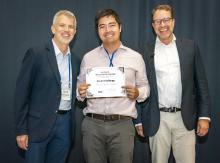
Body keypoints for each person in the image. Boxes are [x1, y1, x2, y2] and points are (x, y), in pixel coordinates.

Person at [135, 4, 211, 163]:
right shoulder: (144, 50)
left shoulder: (190, 47)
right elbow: (138, 86)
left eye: (166, 20)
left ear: (173, 22)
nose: (162, 25)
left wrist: (204, 116)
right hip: (157, 119)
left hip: (185, 118)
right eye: (158, 21)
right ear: (153, 25)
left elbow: (201, 83)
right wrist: (139, 120)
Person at [77, 9, 150, 163]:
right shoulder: (88, 58)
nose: (107, 30)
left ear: (120, 27)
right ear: (97, 30)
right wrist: (81, 92)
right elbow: (79, 91)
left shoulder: (135, 57)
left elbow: (145, 87)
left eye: (112, 25)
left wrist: (138, 93)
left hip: (122, 125)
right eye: (102, 26)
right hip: (92, 125)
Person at [14, 10, 79, 163]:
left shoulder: (76, 60)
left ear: (75, 31)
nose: (66, 30)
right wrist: (21, 130)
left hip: (65, 125)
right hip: (38, 126)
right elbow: (21, 93)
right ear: (53, 29)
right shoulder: (36, 54)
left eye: (71, 27)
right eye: (62, 25)